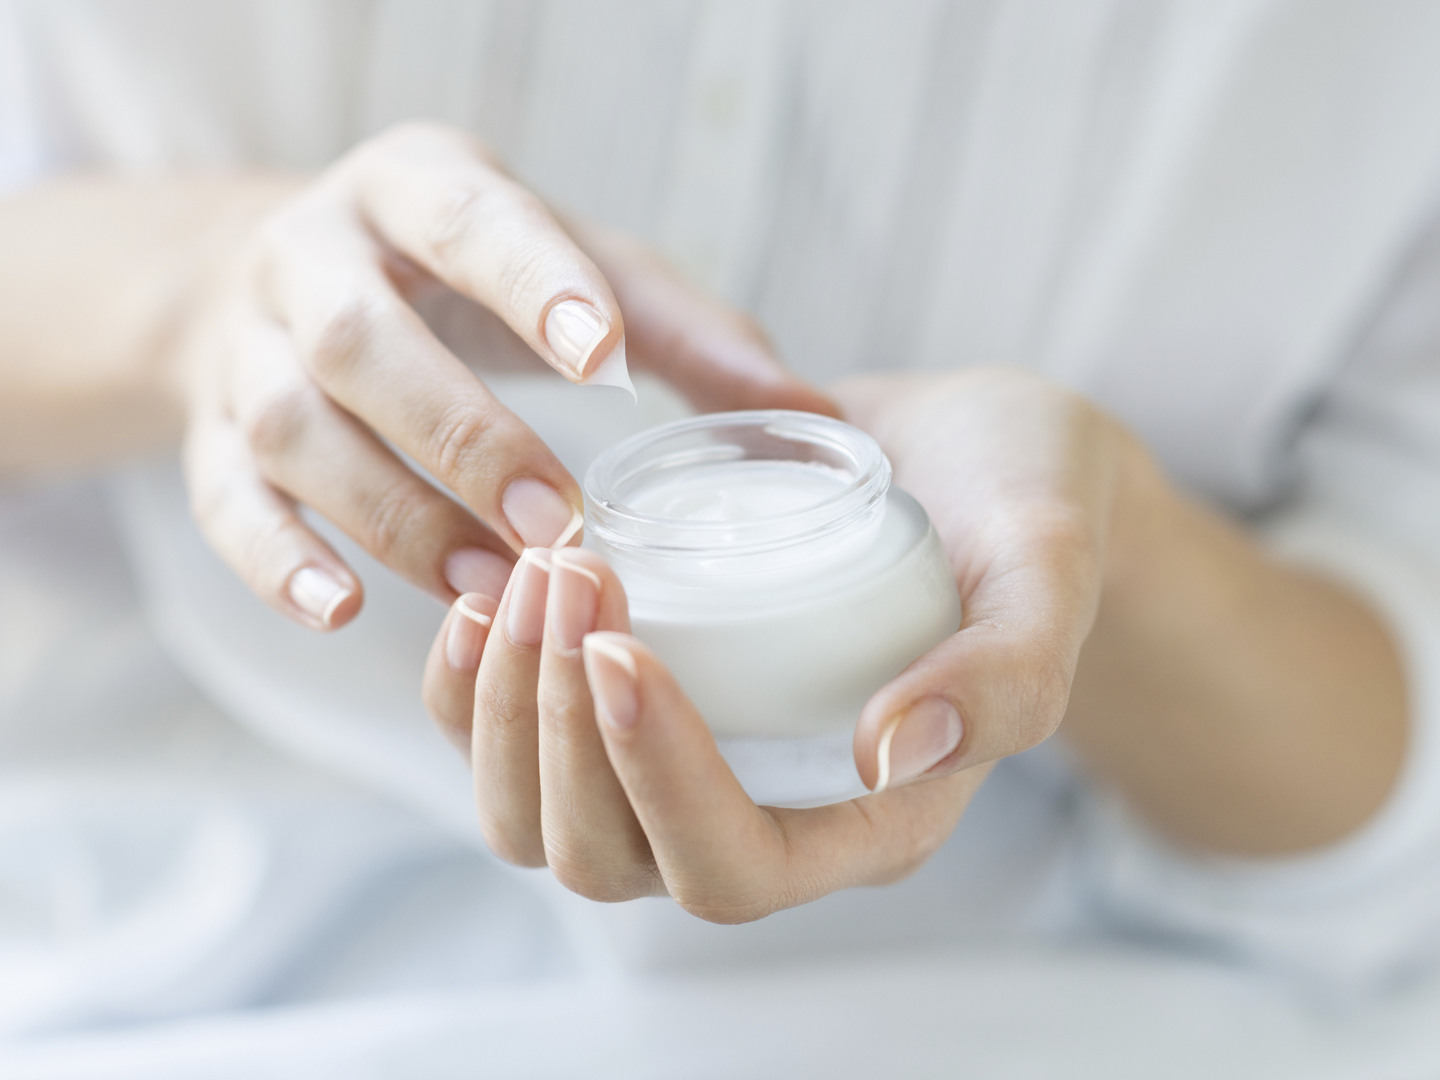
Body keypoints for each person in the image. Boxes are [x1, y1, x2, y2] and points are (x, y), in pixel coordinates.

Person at [5, 0, 1440, 1072]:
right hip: (155, 944)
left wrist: (1095, 547)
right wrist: (204, 296)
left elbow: (1393, 795)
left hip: (1024, 1009)